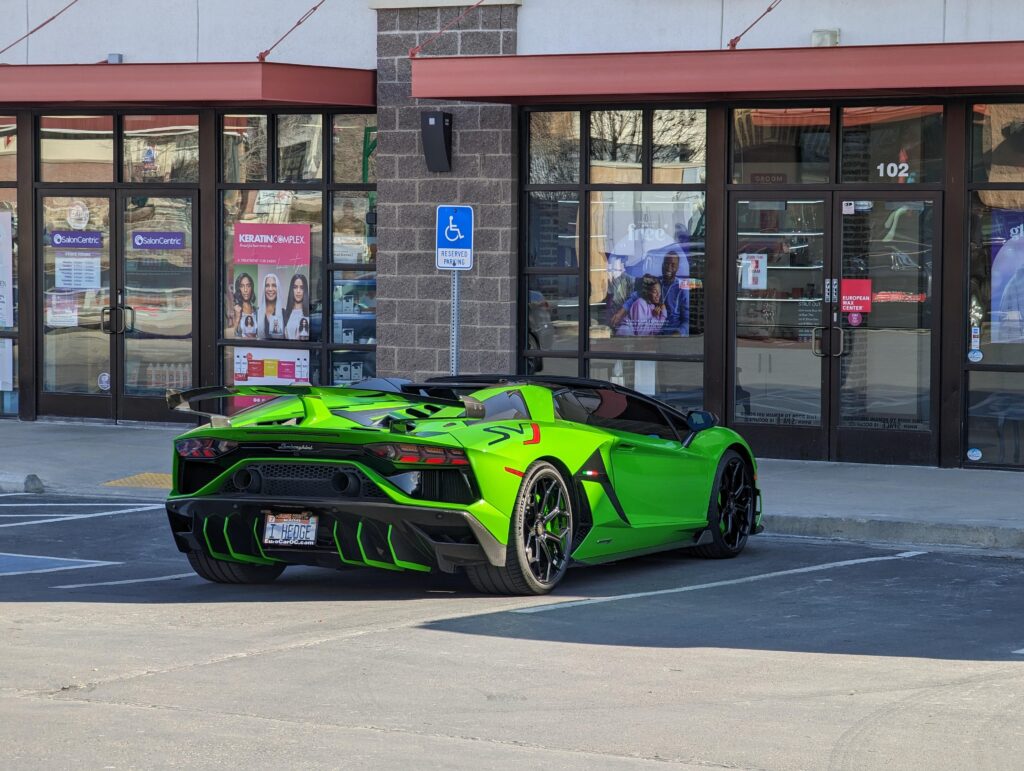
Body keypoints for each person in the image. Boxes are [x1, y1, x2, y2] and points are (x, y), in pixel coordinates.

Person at [611, 251, 690, 336]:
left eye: (673, 265)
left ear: (677, 267)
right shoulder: (656, 282)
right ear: (662, 264)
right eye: (666, 264)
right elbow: (636, 295)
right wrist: (621, 312)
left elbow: (686, 319)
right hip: (652, 332)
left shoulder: (682, 288)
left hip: (671, 333)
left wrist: (678, 334)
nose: (668, 268)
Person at [257, 273, 284, 339]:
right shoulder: (256, 313)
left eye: (274, 285)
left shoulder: (285, 314)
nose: (270, 289)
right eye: (267, 285)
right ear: (264, 289)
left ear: (278, 289)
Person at [284, 273, 310, 340]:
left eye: (301, 288)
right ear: (291, 290)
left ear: (305, 290)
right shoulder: (285, 314)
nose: (298, 291)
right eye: (295, 287)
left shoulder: (309, 313)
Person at [231, 272, 256, 339]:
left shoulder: (256, 310)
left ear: (251, 288)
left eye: (248, 286)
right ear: (239, 289)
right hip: (241, 348)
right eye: (242, 286)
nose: (245, 290)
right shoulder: (235, 309)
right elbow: (230, 336)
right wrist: (237, 318)